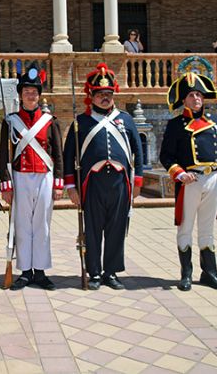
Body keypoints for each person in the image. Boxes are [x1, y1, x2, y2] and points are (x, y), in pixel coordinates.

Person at [160, 72, 217, 292]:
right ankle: (186, 274)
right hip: (191, 180)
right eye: (191, 95)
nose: (196, 99)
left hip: (212, 179)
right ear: (184, 100)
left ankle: (210, 273)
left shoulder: (214, 121)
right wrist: (180, 174)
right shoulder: (175, 125)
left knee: (207, 229)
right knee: (186, 227)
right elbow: (166, 157)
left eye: (199, 94)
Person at [63, 63, 143, 290]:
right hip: (92, 183)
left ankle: (111, 272)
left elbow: (138, 150)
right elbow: (69, 156)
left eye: (108, 94)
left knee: (117, 228)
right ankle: (95, 273)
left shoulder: (125, 119)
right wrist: (71, 186)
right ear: (92, 96)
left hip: (119, 182)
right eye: (100, 95)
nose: (105, 98)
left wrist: (138, 181)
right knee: (93, 228)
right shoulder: (81, 122)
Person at [0, 65, 64, 290]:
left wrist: (58, 182)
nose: (30, 95)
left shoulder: (50, 121)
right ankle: (26, 271)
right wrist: (5, 183)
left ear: (39, 95)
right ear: (20, 94)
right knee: (22, 225)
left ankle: (41, 270)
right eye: (26, 91)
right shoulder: (10, 121)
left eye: (34, 91)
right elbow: (3, 155)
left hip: (44, 176)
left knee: (42, 224)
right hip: (20, 177)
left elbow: (58, 154)